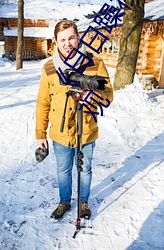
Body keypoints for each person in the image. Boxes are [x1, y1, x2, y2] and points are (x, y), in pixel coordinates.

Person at [35, 20, 113, 220]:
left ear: (78, 38)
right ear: (56, 41)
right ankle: (64, 202)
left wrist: (93, 97)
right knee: (63, 170)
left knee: (85, 168)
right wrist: (40, 134)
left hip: (86, 129)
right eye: (62, 39)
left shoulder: (95, 63)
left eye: (71, 38)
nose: (67, 43)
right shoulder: (49, 68)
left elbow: (108, 94)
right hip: (60, 133)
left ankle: (84, 202)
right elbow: (43, 102)